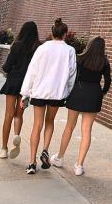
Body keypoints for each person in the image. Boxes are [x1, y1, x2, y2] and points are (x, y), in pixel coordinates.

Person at [20, 18, 76, 175]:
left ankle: (31, 162)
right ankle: (45, 149)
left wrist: (25, 93)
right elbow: (72, 75)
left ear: (52, 33)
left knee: (37, 125)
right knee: (49, 122)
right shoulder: (70, 51)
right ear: (65, 34)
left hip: (39, 91)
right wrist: (68, 91)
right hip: (57, 94)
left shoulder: (42, 48)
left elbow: (32, 71)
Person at [52, 36, 111, 176]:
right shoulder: (104, 61)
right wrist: (102, 92)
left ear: (89, 45)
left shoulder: (79, 58)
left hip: (78, 92)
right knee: (86, 130)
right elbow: (108, 80)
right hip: (94, 94)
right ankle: (79, 165)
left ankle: (59, 158)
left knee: (69, 126)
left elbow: (71, 75)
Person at [0, 21, 39, 160]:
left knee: (8, 114)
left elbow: (7, 66)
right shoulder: (37, 48)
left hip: (13, 82)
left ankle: (4, 148)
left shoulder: (16, 45)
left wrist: (9, 68)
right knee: (19, 115)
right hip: (27, 86)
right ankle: (16, 136)